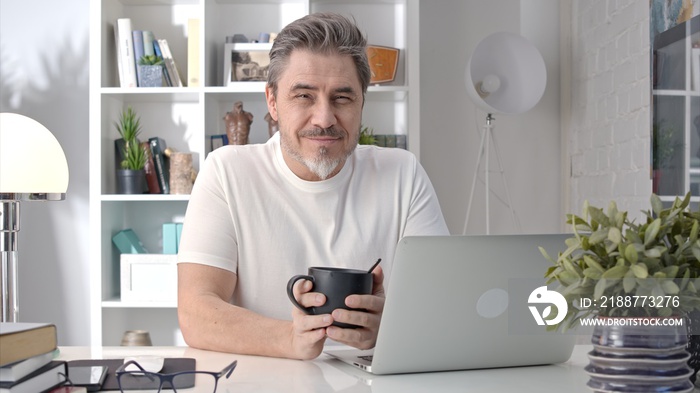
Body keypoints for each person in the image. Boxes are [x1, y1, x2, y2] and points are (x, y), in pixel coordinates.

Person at [177, 12, 448, 360]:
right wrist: (289, 339)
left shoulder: (403, 174)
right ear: (272, 102)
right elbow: (196, 312)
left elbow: (441, 306)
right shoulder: (227, 172)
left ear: (362, 101)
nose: (324, 119)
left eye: (342, 98)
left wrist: (392, 327)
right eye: (304, 96)